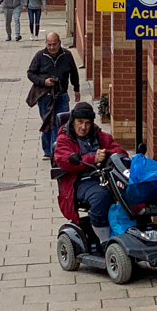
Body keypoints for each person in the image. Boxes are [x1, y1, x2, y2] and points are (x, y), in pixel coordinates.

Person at [53, 102, 126, 240]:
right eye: (80, 122)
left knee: (128, 191)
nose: (83, 127)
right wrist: (93, 159)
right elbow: (64, 160)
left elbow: (121, 152)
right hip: (79, 181)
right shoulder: (64, 140)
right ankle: (105, 239)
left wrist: (107, 153)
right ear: (73, 122)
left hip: (105, 177)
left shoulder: (101, 136)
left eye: (87, 123)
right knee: (101, 197)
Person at [27, 32, 81, 158]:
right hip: (45, 96)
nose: (51, 47)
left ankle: (58, 149)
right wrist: (44, 82)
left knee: (61, 123)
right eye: (49, 44)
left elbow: (74, 72)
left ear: (59, 43)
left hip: (61, 94)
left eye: (54, 44)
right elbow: (30, 73)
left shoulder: (67, 55)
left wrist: (76, 89)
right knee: (47, 122)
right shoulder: (40, 56)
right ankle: (48, 151)